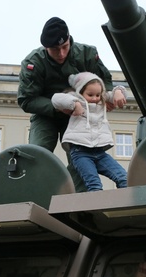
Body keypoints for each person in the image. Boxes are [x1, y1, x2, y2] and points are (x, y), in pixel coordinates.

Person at [17, 17, 126, 192]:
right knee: (38, 153)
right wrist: (60, 107)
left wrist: (107, 96)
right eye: (54, 50)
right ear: (46, 47)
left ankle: (82, 203)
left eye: (64, 47)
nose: (61, 54)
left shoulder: (87, 54)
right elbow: (26, 99)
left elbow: (103, 80)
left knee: (81, 158)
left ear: (69, 40)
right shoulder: (33, 63)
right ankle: (32, 193)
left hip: (80, 115)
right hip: (47, 114)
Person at [51, 72, 127, 191]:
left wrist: (118, 92)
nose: (95, 99)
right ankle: (96, 208)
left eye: (98, 94)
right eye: (90, 95)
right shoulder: (76, 99)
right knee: (94, 184)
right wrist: (75, 104)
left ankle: (126, 204)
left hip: (99, 151)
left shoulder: (102, 100)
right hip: (80, 152)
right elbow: (56, 98)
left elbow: (116, 92)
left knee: (123, 178)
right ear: (81, 92)